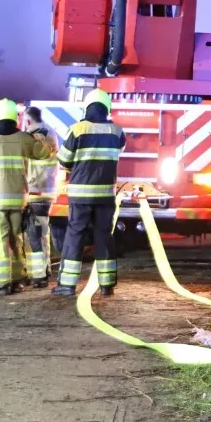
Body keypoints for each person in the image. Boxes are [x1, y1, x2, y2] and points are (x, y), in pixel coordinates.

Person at [0, 98, 55, 296]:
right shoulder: (24, 138)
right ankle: (17, 280)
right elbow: (44, 154)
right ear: (15, 117)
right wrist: (40, 139)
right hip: (18, 200)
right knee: (17, 240)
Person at [50, 89, 126, 298]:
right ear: (106, 109)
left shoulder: (77, 129)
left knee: (75, 235)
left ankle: (67, 285)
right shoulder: (117, 131)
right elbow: (118, 152)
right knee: (104, 235)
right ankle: (107, 285)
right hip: (105, 195)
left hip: (81, 195)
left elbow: (64, 160)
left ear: (87, 107)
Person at [20, 105, 60, 288]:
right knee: (38, 233)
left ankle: (40, 275)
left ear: (28, 121)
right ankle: (40, 272)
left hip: (37, 190)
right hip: (43, 190)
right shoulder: (47, 131)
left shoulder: (38, 135)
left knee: (35, 234)